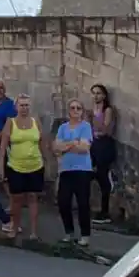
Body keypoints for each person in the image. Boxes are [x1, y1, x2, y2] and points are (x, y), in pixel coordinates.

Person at [0, 94, 46, 241]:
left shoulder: (35, 121)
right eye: (22, 105)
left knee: (33, 198)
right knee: (16, 199)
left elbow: (41, 142)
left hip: (35, 166)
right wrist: (1, 166)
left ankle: (33, 232)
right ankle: (14, 227)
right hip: (16, 166)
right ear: (16, 107)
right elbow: (3, 146)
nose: (24, 108)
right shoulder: (10, 123)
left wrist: (46, 160)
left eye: (27, 105)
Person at [55, 99, 94, 246]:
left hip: (82, 170)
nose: (75, 110)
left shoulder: (86, 126)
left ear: (82, 111)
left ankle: (85, 235)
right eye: (72, 108)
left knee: (83, 203)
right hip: (66, 169)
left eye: (78, 108)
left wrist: (66, 146)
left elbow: (84, 148)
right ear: (68, 111)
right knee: (63, 202)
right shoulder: (63, 128)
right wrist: (74, 143)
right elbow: (56, 147)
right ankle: (69, 232)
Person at [90, 84, 117, 224]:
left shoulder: (107, 110)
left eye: (99, 93)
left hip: (105, 145)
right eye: (94, 93)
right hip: (94, 144)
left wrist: (95, 120)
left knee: (102, 175)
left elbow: (105, 130)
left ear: (104, 96)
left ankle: (105, 212)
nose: (96, 96)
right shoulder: (92, 110)